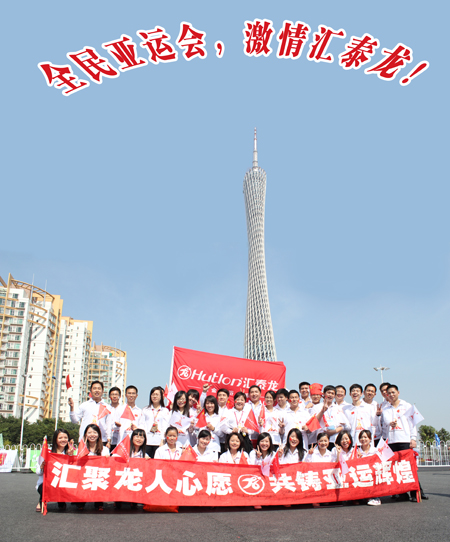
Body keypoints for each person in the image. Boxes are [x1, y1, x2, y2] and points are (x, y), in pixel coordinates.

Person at [381, 384, 426, 501]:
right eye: (389, 393)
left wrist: (413, 438)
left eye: (393, 392)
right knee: (396, 468)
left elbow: (412, 424)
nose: (391, 395)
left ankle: (416, 493)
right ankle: (402, 493)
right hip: (391, 441)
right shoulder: (386, 409)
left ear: (398, 392)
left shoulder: (407, 406)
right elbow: (386, 422)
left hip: (404, 440)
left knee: (409, 467)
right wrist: (390, 424)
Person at [36, 429, 74, 512]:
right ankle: (42, 500)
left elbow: (73, 472)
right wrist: (42, 467)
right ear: (55, 439)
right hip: (48, 482)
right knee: (44, 487)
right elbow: (38, 472)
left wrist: (70, 456)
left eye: (65, 437)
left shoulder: (70, 452)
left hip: (62, 483)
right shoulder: (47, 452)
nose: (63, 440)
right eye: (60, 438)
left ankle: (61, 500)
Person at [76, 424, 110, 511]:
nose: (92, 435)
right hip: (85, 474)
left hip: (99, 474)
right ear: (85, 435)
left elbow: (108, 465)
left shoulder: (104, 449)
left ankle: (99, 502)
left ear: (98, 434)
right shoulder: (81, 448)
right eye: (89, 432)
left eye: (94, 432)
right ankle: (81, 502)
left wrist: (107, 459)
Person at [69, 380, 112, 447]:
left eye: (99, 388)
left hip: (101, 440)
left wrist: (108, 440)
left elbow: (109, 425)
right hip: (85, 440)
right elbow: (74, 420)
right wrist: (72, 408)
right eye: (94, 388)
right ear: (91, 390)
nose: (97, 390)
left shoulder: (107, 407)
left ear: (102, 391)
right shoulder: (84, 405)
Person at [141, 386, 170, 458]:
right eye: (153, 394)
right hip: (147, 441)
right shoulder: (145, 410)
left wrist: (162, 440)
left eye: (157, 394)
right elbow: (142, 424)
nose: (155, 396)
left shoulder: (165, 411)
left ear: (161, 396)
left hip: (159, 441)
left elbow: (165, 426)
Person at [356, 429, 381, 506]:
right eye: (361, 437)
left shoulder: (376, 451)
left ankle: (375, 497)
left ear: (370, 439)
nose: (363, 439)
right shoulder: (356, 451)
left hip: (373, 475)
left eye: (365, 437)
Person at [108, 386, 122, 452]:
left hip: (119, 440)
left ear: (120, 396)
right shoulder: (106, 408)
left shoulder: (123, 409)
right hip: (108, 440)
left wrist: (121, 425)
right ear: (109, 396)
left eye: (116, 394)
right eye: (112, 394)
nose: (114, 396)